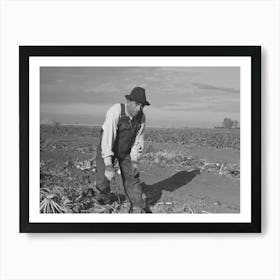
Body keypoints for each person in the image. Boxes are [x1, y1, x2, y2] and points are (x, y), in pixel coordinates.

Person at [95, 87, 151, 213]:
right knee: (103, 177)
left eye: (142, 106)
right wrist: (109, 164)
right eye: (137, 104)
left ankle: (137, 204)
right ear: (129, 101)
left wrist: (135, 161)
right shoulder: (116, 111)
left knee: (133, 177)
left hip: (126, 152)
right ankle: (104, 201)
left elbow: (138, 140)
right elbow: (108, 137)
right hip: (107, 148)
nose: (139, 108)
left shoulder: (141, 118)